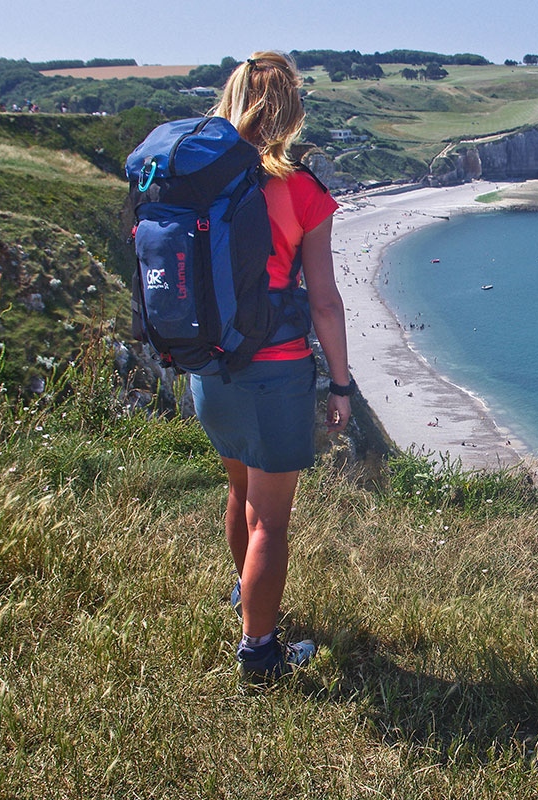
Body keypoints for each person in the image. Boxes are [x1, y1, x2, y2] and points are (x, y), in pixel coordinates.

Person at [191, 51, 352, 680]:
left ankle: (246, 601)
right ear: (292, 111)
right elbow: (325, 302)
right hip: (275, 373)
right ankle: (260, 654)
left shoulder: (202, 179)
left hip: (210, 366)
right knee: (272, 522)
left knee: (240, 493)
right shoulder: (302, 189)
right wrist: (341, 384)